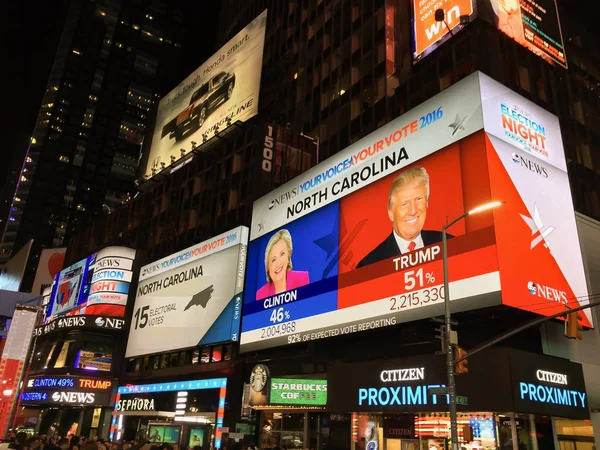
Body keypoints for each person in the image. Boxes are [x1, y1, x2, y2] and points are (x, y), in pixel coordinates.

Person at [357, 166, 451, 268]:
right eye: (404, 204)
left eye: (419, 199)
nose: (413, 211)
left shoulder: (449, 245)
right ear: (391, 213)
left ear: (427, 203)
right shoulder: (369, 266)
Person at [256, 229, 309, 300]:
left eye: (282, 254)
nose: (278, 264)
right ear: (268, 267)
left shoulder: (301, 278)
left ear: (288, 257)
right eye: (273, 260)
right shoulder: (261, 294)